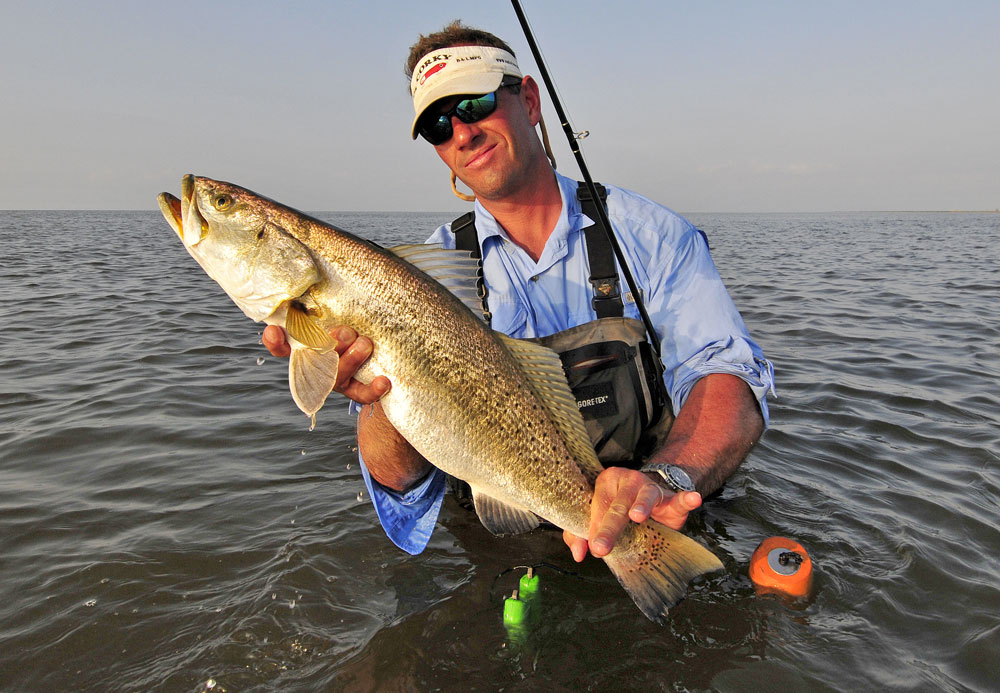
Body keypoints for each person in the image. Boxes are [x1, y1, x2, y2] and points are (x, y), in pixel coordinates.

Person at [264, 21, 774, 563]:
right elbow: (401, 487)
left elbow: (727, 377)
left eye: (475, 103)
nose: (462, 132)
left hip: (658, 516)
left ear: (529, 99)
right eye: (438, 124)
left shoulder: (650, 234)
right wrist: (372, 393)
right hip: (508, 556)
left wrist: (665, 479)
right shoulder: (419, 277)